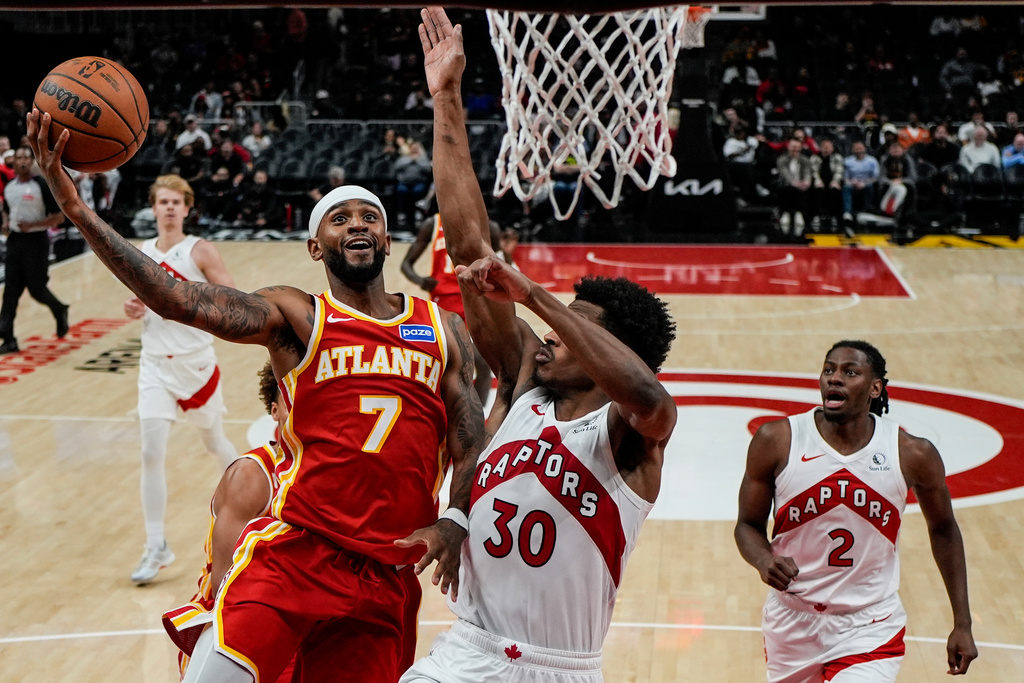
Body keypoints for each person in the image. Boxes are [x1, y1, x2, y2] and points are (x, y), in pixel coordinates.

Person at [28, 104, 483, 683]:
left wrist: (456, 521)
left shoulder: (441, 328)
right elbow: (179, 299)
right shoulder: (297, 315)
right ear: (317, 248)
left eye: (368, 216)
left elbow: (470, 437)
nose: (357, 225)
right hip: (296, 552)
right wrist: (76, 209)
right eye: (338, 219)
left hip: (386, 573)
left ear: (388, 239)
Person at [400, 9, 677, 682]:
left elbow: (646, 394)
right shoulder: (524, 377)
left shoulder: (632, 432)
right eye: (555, 323)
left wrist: (537, 297)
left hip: (563, 668)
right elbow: (467, 245)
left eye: (574, 326)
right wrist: (446, 100)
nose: (551, 336)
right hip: (469, 652)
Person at [734, 340, 977, 682]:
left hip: (870, 624)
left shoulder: (911, 453)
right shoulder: (777, 439)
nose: (834, 379)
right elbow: (747, 524)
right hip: (792, 621)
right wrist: (763, 560)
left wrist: (962, 622)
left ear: (875, 388)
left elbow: (944, 529)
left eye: (850, 372)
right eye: (829, 369)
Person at [121, 174, 240, 584]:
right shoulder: (140, 253)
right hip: (154, 364)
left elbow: (232, 297)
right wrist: (137, 306)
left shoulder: (200, 249)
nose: (169, 208)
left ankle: (261, 494)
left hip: (196, 364)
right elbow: (141, 298)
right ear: (153, 208)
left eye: (177, 202)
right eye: (163, 202)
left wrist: (189, 298)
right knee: (150, 452)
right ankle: (156, 544)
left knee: (213, 441)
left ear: (187, 208)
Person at [162, 360, 292, 680]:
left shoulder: (333, 473)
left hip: (296, 615)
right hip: (235, 620)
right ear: (274, 411)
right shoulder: (251, 475)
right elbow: (224, 583)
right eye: (294, 402)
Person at [400, 212, 514, 403]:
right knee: (445, 363)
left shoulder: (488, 226)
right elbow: (406, 265)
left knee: (483, 362)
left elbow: (506, 269)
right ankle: (439, 409)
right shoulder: (433, 223)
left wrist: (506, 252)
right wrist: (421, 281)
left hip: (476, 301)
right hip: (442, 303)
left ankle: (477, 414)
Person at [0, 145, 69, 354]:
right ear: (13, 161)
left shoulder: (41, 185)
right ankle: (8, 339)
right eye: (18, 157)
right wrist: (5, 223)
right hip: (15, 242)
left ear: (32, 162)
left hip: (36, 243)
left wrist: (33, 225)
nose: (22, 161)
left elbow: (59, 217)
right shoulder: (10, 186)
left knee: (37, 290)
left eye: (26, 158)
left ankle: (59, 309)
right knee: (10, 294)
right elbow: (6, 210)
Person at [841, 141, 880, 222]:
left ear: (864, 149)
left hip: (867, 182)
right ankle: (847, 212)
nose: (858, 151)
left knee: (870, 187)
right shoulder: (848, 161)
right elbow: (845, 177)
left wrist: (864, 183)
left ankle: (867, 211)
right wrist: (852, 182)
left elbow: (876, 177)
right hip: (853, 183)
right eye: (856, 149)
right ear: (852, 150)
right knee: (846, 187)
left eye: (860, 148)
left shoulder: (872, 161)